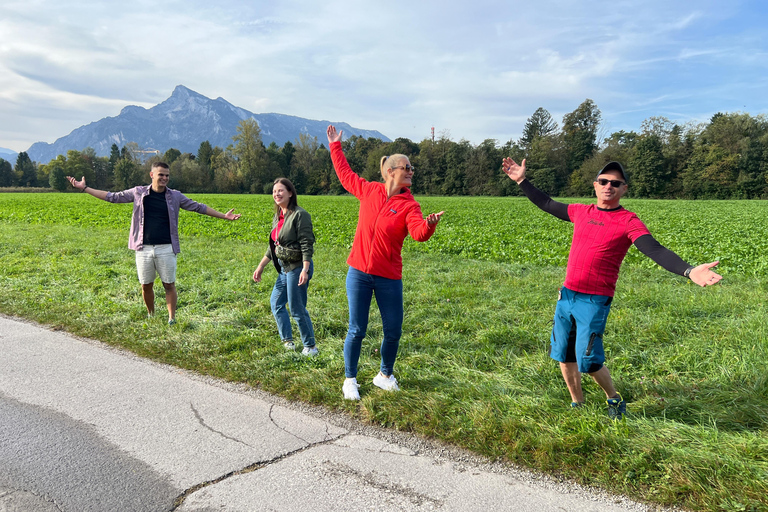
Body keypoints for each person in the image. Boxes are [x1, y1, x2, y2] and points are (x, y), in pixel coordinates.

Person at [502, 159, 722, 419]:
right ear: (595, 185)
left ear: (624, 189)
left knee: (589, 360)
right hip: (568, 295)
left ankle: (614, 399)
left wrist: (689, 270)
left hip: (595, 301)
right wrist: (521, 181)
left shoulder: (628, 221)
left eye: (615, 183)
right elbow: (547, 204)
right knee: (564, 354)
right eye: (604, 181)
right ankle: (577, 404)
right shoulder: (581, 212)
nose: (609, 186)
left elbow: (654, 249)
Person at [326, 125, 444, 400]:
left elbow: (418, 233)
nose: (412, 170)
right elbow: (345, 175)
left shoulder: (410, 205)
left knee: (393, 330)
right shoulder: (369, 190)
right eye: (407, 166)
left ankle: (384, 375)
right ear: (391, 171)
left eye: (412, 167)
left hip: (389, 277)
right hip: (358, 273)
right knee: (357, 329)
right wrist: (335, 146)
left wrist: (429, 226)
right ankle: (350, 379)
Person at [66, 162, 241, 325]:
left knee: (169, 284)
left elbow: (198, 207)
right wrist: (85, 189)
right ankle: (151, 314)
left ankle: (172, 319)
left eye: (167, 176)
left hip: (166, 247)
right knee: (146, 284)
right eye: (161, 175)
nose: (164, 178)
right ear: (152, 174)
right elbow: (112, 197)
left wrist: (224, 216)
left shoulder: (175, 196)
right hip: (143, 248)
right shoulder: (138, 192)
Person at [252, 178, 318, 356]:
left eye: (281, 191)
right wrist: (260, 267)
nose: (277, 194)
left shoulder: (300, 214)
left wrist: (305, 269)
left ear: (290, 193)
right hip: (283, 268)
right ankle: (288, 341)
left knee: (297, 308)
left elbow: (307, 243)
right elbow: (273, 246)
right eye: (274, 191)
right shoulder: (279, 216)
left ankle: (310, 347)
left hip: (297, 267)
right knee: (276, 303)